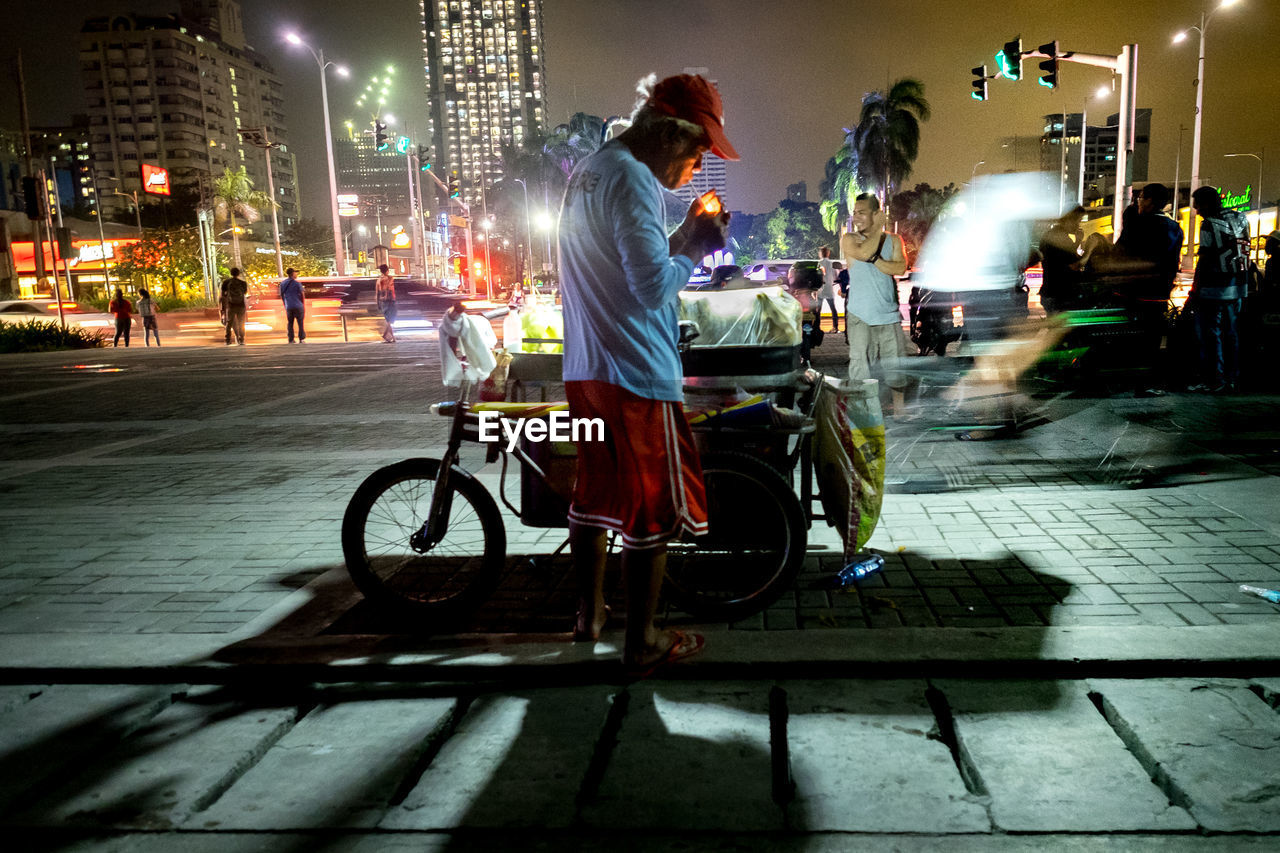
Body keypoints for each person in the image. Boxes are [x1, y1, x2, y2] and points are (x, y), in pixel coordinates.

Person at [558, 72, 733, 674]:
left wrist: (684, 233)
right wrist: (696, 250)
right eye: (697, 145)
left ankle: (590, 616)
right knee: (650, 510)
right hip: (634, 373)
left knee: (594, 492)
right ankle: (644, 641)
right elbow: (653, 286)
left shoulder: (592, 171)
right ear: (667, 130)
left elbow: (627, 262)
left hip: (587, 368)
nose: (698, 160)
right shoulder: (635, 179)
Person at [841, 193, 910, 415]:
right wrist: (878, 231)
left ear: (876, 213)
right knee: (860, 365)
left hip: (888, 315)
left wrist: (878, 261)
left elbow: (900, 268)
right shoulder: (849, 239)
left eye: (861, 212)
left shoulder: (894, 240)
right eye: (854, 213)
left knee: (895, 365)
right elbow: (863, 252)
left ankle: (899, 411)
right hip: (860, 315)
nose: (856, 217)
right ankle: (864, 411)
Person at [1115, 184, 1184, 393]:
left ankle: (1128, 379)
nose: (1138, 201)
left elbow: (1119, 254)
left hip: (1131, 292)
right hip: (1158, 295)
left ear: (1151, 201)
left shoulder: (1137, 225)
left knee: (1129, 339)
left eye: (1141, 197)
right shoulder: (1174, 228)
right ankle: (1148, 382)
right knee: (1152, 339)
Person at [1188, 186, 1249, 392]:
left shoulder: (1208, 224)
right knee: (1232, 333)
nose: (1196, 210)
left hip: (1213, 288)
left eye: (1197, 205)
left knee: (1210, 334)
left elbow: (1204, 259)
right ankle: (1233, 378)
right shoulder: (1241, 218)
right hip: (1238, 286)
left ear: (1206, 203)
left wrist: (1195, 290)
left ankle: (1214, 380)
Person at [1038, 207, 1085, 315]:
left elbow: (1065, 258)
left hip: (1051, 291)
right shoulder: (1060, 238)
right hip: (1059, 294)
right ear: (1069, 220)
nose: (1078, 225)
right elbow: (1073, 265)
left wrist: (1077, 241)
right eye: (1078, 221)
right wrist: (1089, 250)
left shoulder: (1052, 234)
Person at [785, 261, 823, 366]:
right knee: (810, 328)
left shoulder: (794, 290)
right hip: (810, 307)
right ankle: (806, 357)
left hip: (800, 308)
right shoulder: (811, 291)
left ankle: (799, 356)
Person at [220, 267, 248, 346]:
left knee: (229, 322)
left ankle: (228, 340)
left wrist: (224, 306)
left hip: (231, 305)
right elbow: (244, 293)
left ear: (231, 273)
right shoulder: (243, 283)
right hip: (241, 305)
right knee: (241, 322)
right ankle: (241, 339)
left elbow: (223, 295)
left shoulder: (226, 282)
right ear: (238, 273)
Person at [278, 267, 306, 343]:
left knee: (290, 323)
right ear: (292, 274)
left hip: (289, 306)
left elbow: (282, 295)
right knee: (300, 322)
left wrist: (285, 304)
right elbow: (302, 295)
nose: (296, 274)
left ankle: (291, 339)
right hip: (298, 306)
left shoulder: (282, 284)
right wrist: (303, 304)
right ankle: (301, 338)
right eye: (295, 273)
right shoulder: (297, 284)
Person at [816, 245, 840, 333]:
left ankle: (817, 327)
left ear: (821, 254)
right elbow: (836, 276)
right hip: (829, 289)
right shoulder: (832, 264)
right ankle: (835, 326)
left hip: (820, 289)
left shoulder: (819, 264)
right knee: (833, 309)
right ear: (828, 253)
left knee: (818, 310)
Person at [376, 264, 397, 343]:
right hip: (390, 301)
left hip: (382, 302)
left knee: (388, 320)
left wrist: (378, 303)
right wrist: (387, 296)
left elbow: (377, 293)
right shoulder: (390, 278)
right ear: (387, 270)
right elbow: (389, 289)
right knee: (391, 320)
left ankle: (393, 337)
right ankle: (385, 334)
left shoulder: (378, 280)